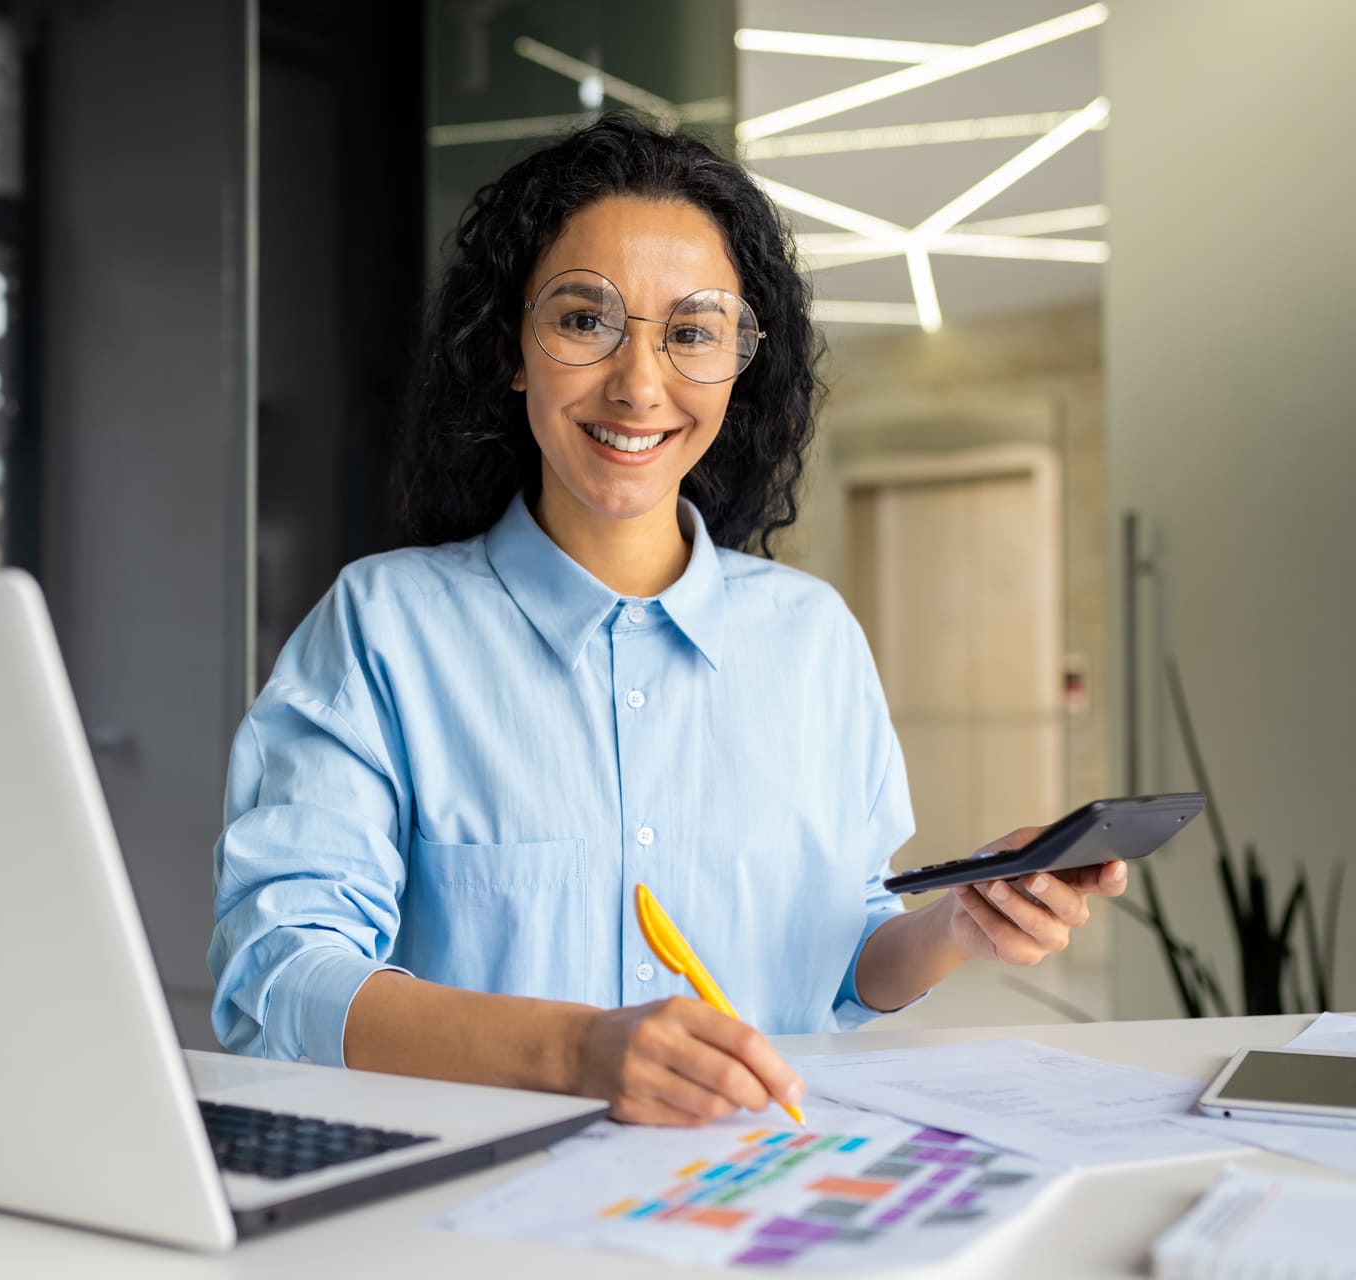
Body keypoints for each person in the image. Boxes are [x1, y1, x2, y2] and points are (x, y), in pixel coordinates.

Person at [208, 113, 1127, 1126]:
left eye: (691, 332)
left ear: (739, 365)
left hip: (751, 1197)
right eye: (582, 319)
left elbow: (838, 964)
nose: (640, 384)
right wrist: (576, 1049)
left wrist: (959, 921)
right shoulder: (383, 630)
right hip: (469, 1210)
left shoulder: (812, 639)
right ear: (511, 346)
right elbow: (277, 975)